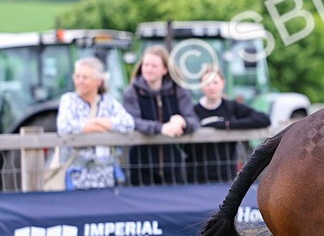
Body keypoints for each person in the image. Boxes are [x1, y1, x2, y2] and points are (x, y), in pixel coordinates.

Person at [53, 56, 136, 189]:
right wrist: (105, 127)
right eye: (77, 76)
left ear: (99, 81)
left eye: (85, 77)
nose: (80, 81)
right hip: (76, 178)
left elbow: (128, 124)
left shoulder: (109, 101)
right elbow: (64, 127)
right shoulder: (68, 100)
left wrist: (96, 122)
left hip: (106, 179)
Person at [123, 45, 200, 186]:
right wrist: (161, 128)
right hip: (141, 165)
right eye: (146, 65)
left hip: (173, 165)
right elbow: (132, 121)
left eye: (154, 66)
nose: (148, 69)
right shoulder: (132, 92)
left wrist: (182, 121)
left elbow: (193, 120)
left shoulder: (178, 91)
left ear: (164, 69)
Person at [189, 66, 271, 183]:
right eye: (207, 83)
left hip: (226, 175)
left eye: (215, 82)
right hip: (197, 175)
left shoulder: (231, 107)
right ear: (201, 86)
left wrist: (228, 125)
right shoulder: (193, 110)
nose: (211, 87)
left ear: (223, 83)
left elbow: (263, 119)